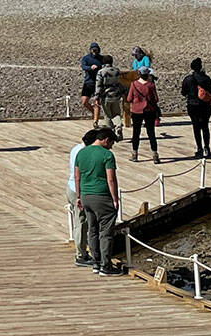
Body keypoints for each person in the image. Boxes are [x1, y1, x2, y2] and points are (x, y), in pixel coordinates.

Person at [74, 128, 122, 275]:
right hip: (102, 196)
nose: (111, 146)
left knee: (92, 230)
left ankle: (95, 263)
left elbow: (77, 176)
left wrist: (78, 196)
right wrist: (115, 199)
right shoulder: (107, 155)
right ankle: (106, 266)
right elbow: (111, 179)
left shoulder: (81, 153)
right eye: (112, 143)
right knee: (106, 232)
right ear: (106, 140)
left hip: (86, 196)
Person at [66, 129, 98, 267]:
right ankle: (81, 255)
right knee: (81, 222)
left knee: (81, 221)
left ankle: (83, 251)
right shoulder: (84, 153)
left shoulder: (76, 148)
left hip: (71, 187)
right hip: (77, 189)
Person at [181, 57, 211, 158]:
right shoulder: (206, 78)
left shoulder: (188, 79)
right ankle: (207, 148)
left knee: (196, 127)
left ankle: (199, 149)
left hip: (192, 105)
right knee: (205, 127)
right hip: (205, 105)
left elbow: (183, 92)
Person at [126, 66, 160, 163]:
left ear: (139, 73)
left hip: (136, 110)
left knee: (136, 133)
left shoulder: (134, 84)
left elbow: (129, 99)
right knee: (151, 133)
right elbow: (155, 99)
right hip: (149, 110)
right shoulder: (151, 85)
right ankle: (155, 154)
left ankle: (135, 154)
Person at [95, 55, 125, 139]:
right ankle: (118, 127)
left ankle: (110, 134)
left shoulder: (101, 72)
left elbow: (98, 85)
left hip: (106, 96)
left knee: (107, 115)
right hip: (116, 95)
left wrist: (96, 97)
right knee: (116, 114)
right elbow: (119, 83)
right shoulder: (117, 71)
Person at [80, 43, 104, 124]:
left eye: (96, 50)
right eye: (93, 50)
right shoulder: (86, 58)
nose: (94, 51)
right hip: (88, 82)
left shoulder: (101, 58)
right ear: (90, 50)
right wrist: (90, 67)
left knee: (96, 102)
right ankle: (94, 113)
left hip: (98, 83)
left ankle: (95, 121)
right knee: (84, 101)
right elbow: (83, 66)